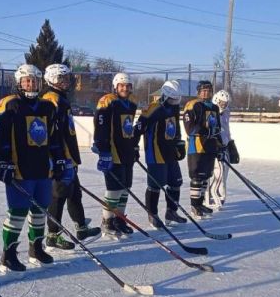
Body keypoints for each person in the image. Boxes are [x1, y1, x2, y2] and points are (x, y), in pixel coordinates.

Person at [0, 64, 71, 273]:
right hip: (20, 169)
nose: (31, 84)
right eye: (27, 80)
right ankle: (8, 254)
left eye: (34, 80)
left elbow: (54, 138)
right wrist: (4, 161)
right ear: (19, 82)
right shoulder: (9, 104)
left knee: (40, 209)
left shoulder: (46, 107)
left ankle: (36, 248)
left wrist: (59, 159)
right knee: (17, 212)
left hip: (43, 169)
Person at [41, 64, 101, 251]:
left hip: (69, 157)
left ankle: (81, 227)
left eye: (66, 78)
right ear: (50, 79)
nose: (65, 81)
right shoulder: (51, 99)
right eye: (60, 78)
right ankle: (53, 235)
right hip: (60, 157)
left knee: (75, 194)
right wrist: (57, 158)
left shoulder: (62, 98)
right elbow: (51, 133)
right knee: (58, 195)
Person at [93, 72, 140, 240]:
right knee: (114, 188)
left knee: (125, 186)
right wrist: (102, 148)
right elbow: (100, 125)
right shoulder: (108, 101)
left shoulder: (131, 104)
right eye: (121, 85)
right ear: (115, 86)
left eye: (127, 86)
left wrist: (134, 147)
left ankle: (119, 219)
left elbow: (130, 129)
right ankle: (107, 221)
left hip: (126, 151)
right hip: (113, 152)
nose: (125, 88)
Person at [137, 80, 187, 228]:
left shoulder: (174, 108)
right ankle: (152, 214)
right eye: (172, 98)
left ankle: (171, 211)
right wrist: (133, 146)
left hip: (170, 152)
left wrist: (179, 143)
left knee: (175, 182)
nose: (174, 102)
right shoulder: (153, 109)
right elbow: (139, 127)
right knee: (155, 185)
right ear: (165, 95)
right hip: (155, 153)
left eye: (176, 99)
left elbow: (176, 126)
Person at [182, 80, 223, 218]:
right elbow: (190, 127)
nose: (206, 93)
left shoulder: (215, 108)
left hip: (210, 147)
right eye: (203, 90)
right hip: (197, 147)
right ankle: (194, 205)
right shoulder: (192, 105)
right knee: (196, 176)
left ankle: (200, 204)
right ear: (198, 92)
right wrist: (205, 131)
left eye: (209, 90)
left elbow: (217, 128)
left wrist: (221, 146)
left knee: (206, 176)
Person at [205, 90, 240, 209]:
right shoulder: (210, 112)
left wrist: (230, 143)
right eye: (222, 102)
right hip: (214, 148)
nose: (224, 105)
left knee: (223, 173)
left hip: (224, 147)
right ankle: (212, 196)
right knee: (217, 173)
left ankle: (220, 195)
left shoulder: (226, 112)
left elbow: (227, 129)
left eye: (226, 103)